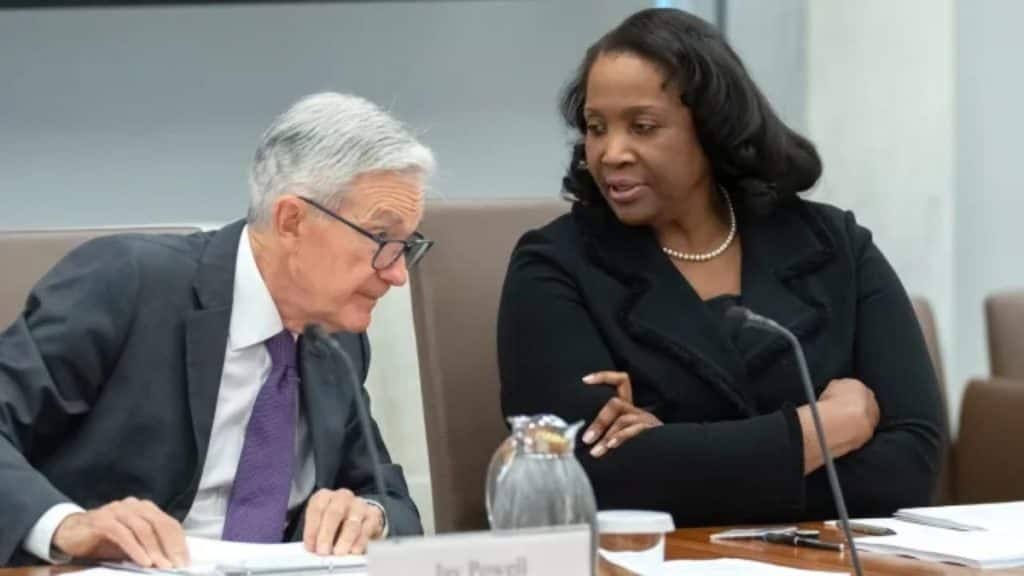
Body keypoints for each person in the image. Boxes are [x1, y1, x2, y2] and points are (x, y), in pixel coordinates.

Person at [498, 8, 943, 527]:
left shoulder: (833, 244)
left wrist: (677, 454)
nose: (611, 152)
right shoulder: (554, 265)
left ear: (711, 129)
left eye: (643, 127)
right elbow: (585, 477)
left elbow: (912, 461)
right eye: (596, 128)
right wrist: (821, 429)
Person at [0, 92, 435, 566]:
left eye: (406, 245)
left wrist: (369, 513)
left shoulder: (336, 340)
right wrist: (66, 525)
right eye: (382, 239)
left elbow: (389, 496)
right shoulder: (127, 284)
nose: (397, 273)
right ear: (292, 221)